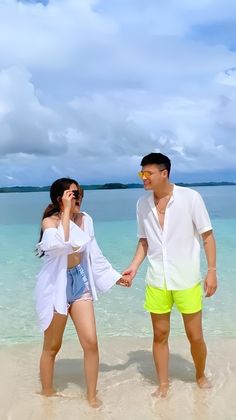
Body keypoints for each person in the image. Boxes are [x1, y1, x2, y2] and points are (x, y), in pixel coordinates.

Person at [123, 153, 217, 398]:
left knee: (195, 335)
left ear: (164, 173)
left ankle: (200, 374)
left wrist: (212, 272)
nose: (143, 178)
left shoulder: (190, 198)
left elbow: (207, 237)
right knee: (160, 334)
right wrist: (133, 267)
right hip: (157, 279)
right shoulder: (142, 204)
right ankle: (163, 384)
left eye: (148, 173)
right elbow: (144, 242)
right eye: (141, 173)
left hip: (186, 277)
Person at [35, 177, 129, 407]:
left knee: (90, 342)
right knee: (52, 346)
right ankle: (47, 394)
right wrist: (66, 212)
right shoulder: (50, 222)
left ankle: (91, 395)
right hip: (55, 286)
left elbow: (93, 254)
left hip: (79, 282)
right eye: (73, 194)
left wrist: (115, 277)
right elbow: (61, 244)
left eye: (79, 194)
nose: (78, 198)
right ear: (60, 198)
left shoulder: (86, 220)